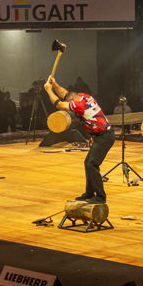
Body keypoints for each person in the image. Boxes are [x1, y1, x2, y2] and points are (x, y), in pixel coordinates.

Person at [44, 75, 114, 204]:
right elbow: (65, 94)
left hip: (104, 137)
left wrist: (48, 90)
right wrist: (55, 84)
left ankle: (100, 197)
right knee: (88, 163)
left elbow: (59, 104)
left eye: (69, 103)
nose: (69, 104)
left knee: (91, 164)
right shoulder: (83, 96)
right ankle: (89, 193)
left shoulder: (79, 105)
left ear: (72, 101)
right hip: (101, 136)